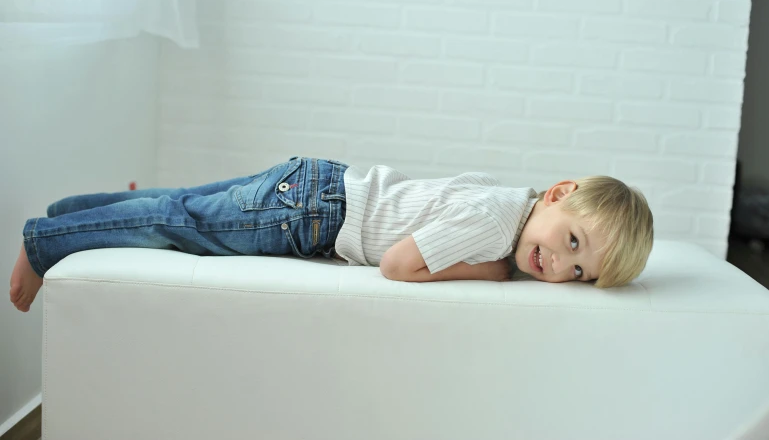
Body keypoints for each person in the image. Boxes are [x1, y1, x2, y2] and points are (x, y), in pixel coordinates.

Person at [9, 156, 654, 312]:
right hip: (309, 216)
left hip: (317, 188)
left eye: (578, 272)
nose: (557, 265)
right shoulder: (492, 227)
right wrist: (485, 272)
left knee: (182, 204)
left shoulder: (506, 199)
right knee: (181, 226)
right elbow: (399, 265)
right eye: (571, 241)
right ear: (559, 194)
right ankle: (46, 242)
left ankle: (75, 209)